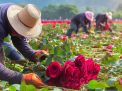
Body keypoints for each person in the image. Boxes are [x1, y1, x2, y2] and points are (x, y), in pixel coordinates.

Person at [0, 3, 49, 88]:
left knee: (18, 58)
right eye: (20, 30)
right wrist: (22, 78)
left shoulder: (20, 15)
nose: (21, 34)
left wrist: (33, 54)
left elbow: (19, 39)